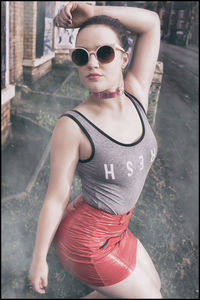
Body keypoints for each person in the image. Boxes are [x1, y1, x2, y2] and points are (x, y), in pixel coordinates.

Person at [29, 2, 162, 298]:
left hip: (119, 229)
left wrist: (91, 12)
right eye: (81, 56)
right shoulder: (73, 126)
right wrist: (39, 259)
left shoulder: (137, 94)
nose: (93, 63)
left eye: (104, 53)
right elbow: (55, 197)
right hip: (86, 242)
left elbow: (151, 22)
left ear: (124, 57)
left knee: (155, 287)